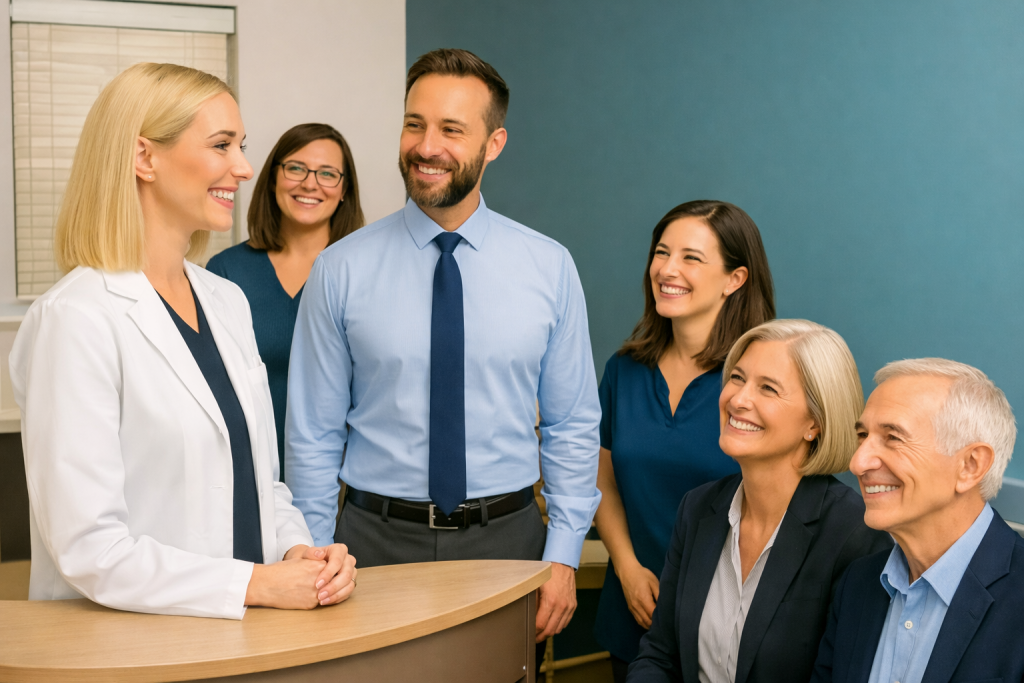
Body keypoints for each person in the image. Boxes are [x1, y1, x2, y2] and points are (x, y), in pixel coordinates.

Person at [9, 63, 356, 619]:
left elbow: (263, 482)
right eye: (221, 145)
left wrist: (300, 551)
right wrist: (257, 585)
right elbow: (91, 551)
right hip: (136, 649)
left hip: (248, 634)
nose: (243, 168)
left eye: (240, 146)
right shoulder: (76, 318)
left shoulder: (225, 300)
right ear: (144, 157)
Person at [286, 48, 600, 646]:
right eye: (415, 124)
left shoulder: (549, 267)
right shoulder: (339, 269)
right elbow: (313, 434)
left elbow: (572, 424)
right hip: (371, 545)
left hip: (508, 542)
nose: (427, 146)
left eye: (451, 129)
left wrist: (563, 554)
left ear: (495, 143)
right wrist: (313, 552)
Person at [628, 320, 893, 682]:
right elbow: (658, 655)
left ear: (814, 422)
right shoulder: (698, 507)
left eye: (767, 388)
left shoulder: (856, 533)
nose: (738, 399)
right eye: (737, 378)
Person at [594, 200, 775, 679]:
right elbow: (603, 479)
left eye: (691, 257)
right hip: (636, 606)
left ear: (735, 279)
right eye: (661, 252)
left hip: (729, 621)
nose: (667, 269)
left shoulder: (761, 382)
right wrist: (627, 567)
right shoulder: (623, 372)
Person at [812, 359, 1024, 683]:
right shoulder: (857, 584)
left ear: (970, 465)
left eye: (893, 437)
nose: (858, 462)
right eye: (862, 435)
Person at [206, 123, 364, 477]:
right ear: (273, 178)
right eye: (295, 168)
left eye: (327, 174)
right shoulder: (226, 272)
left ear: (344, 191)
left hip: (347, 485)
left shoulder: (364, 274)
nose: (310, 183)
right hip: (248, 473)